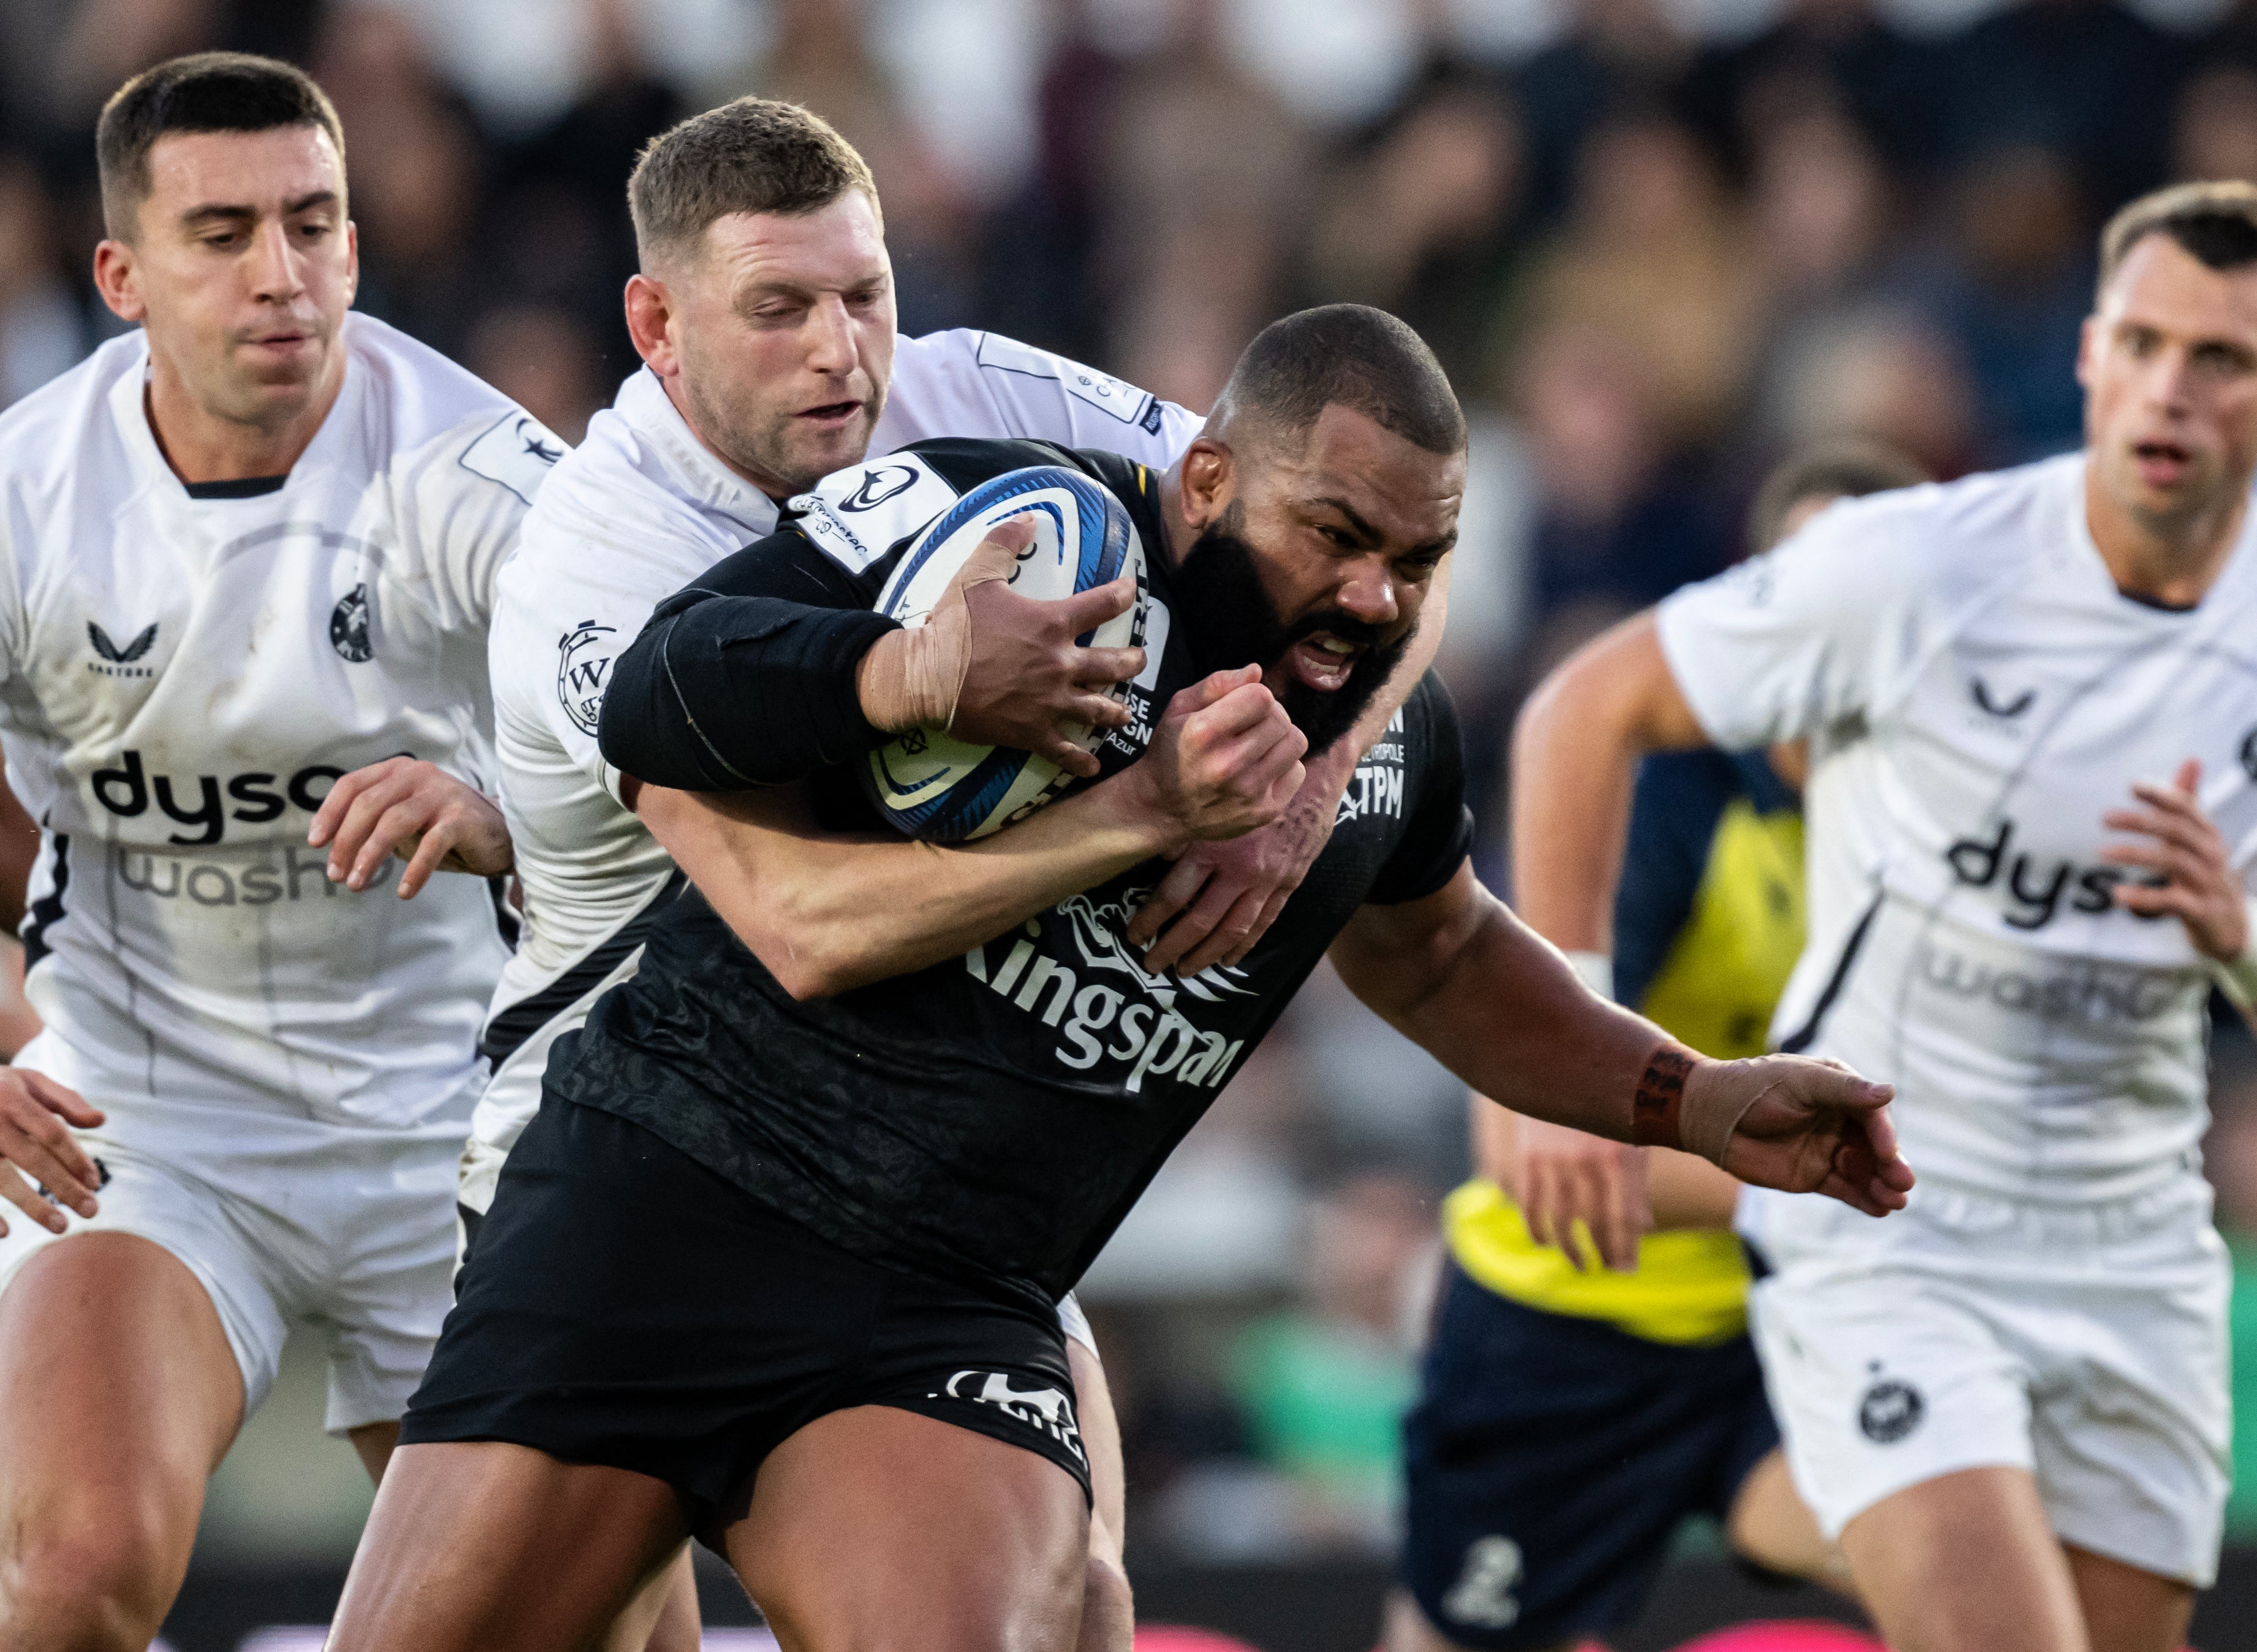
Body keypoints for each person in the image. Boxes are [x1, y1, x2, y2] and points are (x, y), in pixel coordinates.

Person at [325, 303, 1915, 1652]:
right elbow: (666, 693)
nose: (1373, 597)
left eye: (1417, 562)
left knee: (1062, 1603)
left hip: (948, 1299)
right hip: (668, 1205)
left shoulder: (1369, 747)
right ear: (1207, 479)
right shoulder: (1016, 540)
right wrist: (923, 676)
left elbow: (1440, 951)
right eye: (1336, 538)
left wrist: (1691, 1096)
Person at [468, 97, 1448, 1648]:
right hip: (625, 1165)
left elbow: (1362, 525)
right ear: (657, 323)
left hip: (922, 1157)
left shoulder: (970, 386)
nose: (843, 353)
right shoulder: (602, 569)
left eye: (864, 295)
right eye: (777, 310)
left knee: (1080, 1609)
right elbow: (793, 924)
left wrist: (1310, 783)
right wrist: (948, 693)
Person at [1513, 182, 2257, 1652]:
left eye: (2218, 361)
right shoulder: (1921, 564)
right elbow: (1585, 706)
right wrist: (1564, 1053)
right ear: (2085, 353)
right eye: (2138, 343)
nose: (2166, 390)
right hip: (1894, 1209)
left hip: (2133, 1245)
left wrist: (2236, 932)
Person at [0, 53, 558, 1651]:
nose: (281, 274)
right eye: (225, 231)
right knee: (70, 1575)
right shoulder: (28, 494)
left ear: (359, 247)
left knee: (588, 1629)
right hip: (153, 1115)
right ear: (120, 275)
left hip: (461, 1120)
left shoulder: (478, 475)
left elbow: (680, 746)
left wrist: (508, 819)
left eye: (315, 225)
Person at [1390, 441, 1928, 1652]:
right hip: (1560, 1332)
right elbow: (1531, 1152)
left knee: (2009, 1583)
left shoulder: (1944, 826)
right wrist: (1877, 1185)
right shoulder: (1660, 798)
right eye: (1799, 588)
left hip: (1789, 1332)